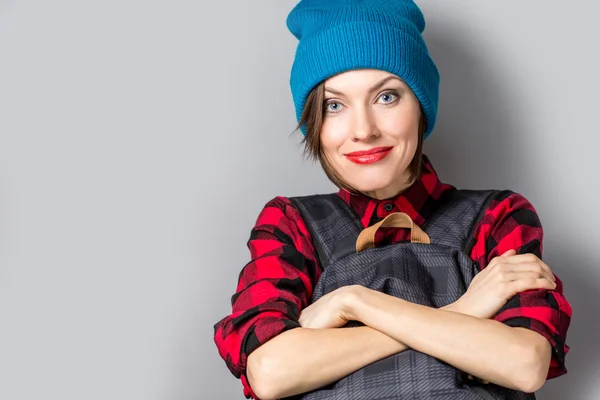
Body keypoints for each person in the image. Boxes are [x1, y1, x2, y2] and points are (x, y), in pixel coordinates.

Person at [213, 1, 572, 399]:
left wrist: (352, 303)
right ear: (314, 121)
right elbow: (271, 370)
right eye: (335, 105)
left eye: (386, 97)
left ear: (421, 104)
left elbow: (524, 364)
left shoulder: (497, 216)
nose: (363, 130)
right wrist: (463, 312)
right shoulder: (291, 223)